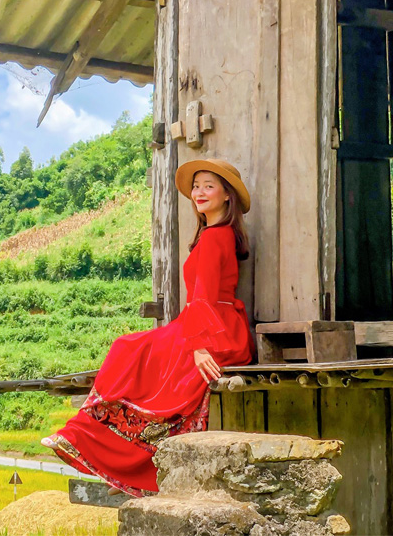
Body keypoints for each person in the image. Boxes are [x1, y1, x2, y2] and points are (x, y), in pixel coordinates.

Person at [40, 158, 255, 497]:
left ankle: (100, 449)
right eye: (196, 186)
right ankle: (110, 459)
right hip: (208, 324)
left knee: (128, 350)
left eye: (208, 186)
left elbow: (203, 296)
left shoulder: (216, 237)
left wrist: (199, 347)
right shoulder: (215, 235)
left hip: (213, 329)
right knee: (131, 350)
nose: (199, 192)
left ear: (227, 195)